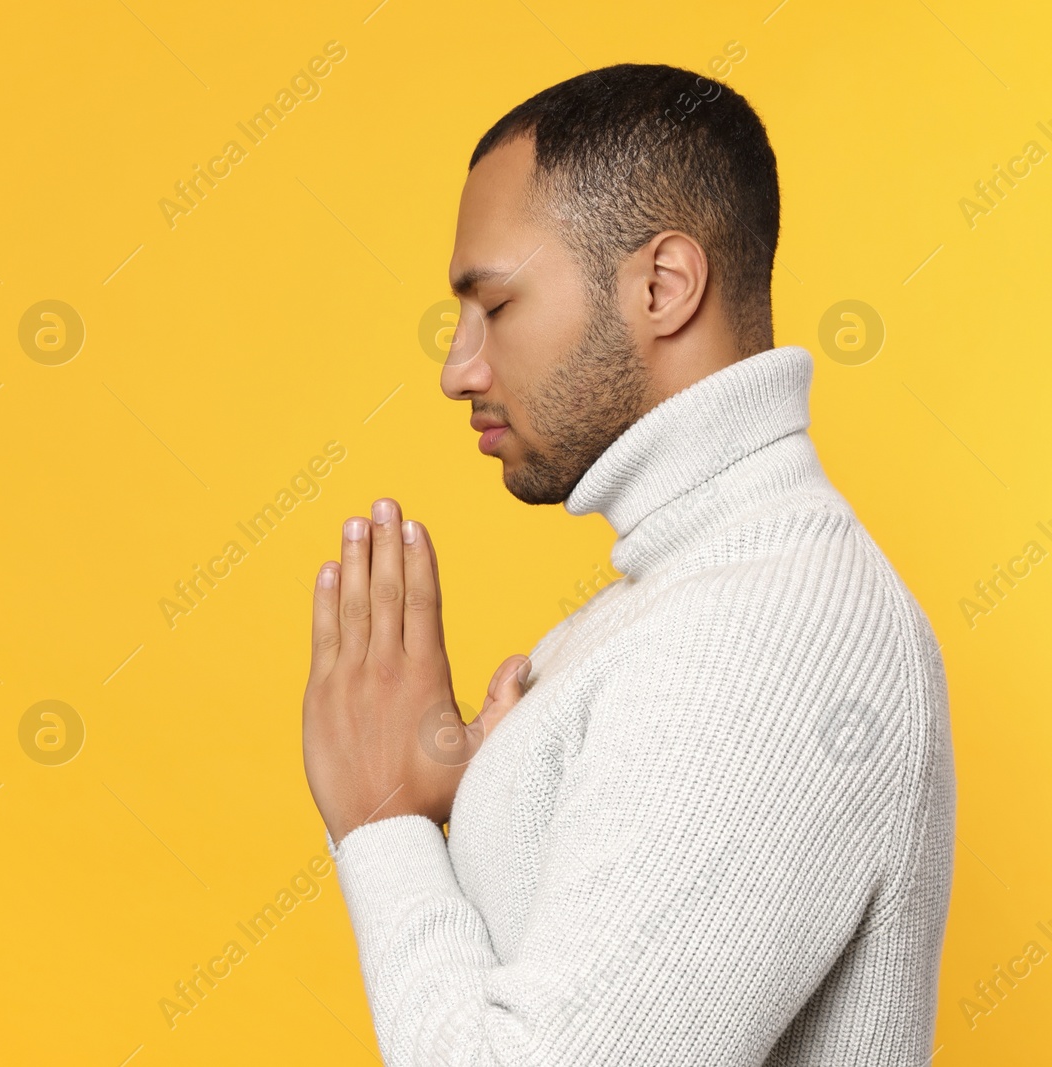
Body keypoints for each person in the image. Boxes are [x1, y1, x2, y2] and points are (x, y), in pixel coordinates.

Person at [300, 63, 954, 1065]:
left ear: (661, 285)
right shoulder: (659, 609)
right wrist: (457, 809)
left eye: (495, 306)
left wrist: (380, 824)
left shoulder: (766, 629)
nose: (457, 367)